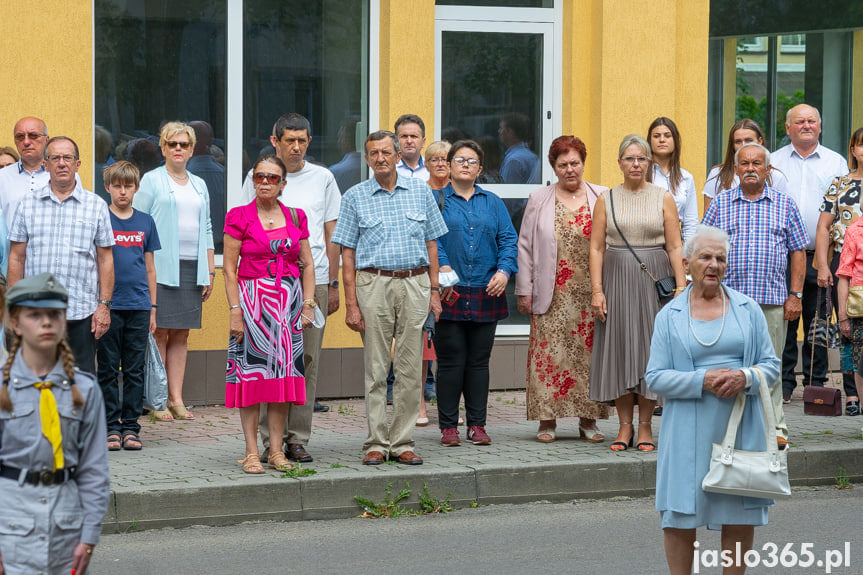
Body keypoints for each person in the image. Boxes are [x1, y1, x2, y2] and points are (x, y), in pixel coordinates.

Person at [645, 225, 781, 575]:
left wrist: (745, 377)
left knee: (737, 515)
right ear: (687, 263)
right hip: (686, 432)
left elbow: (771, 366)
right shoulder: (669, 316)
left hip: (739, 428)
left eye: (720, 258)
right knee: (679, 518)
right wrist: (701, 380)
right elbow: (655, 377)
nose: (714, 264)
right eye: (705, 257)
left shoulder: (748, 310)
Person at [332, 130, 447, 466]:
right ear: (366, 159)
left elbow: (431, 244)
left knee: (412, 368)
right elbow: (347, 255)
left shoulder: (421, 192)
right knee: (376, 368)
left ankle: (403, 441)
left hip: (415, 283)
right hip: (374, 285)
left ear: (398, 156)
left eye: (385, 152)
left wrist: (435, 291)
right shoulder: (355, 196)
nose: (380, 158)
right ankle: (376, 442)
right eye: (373, 153)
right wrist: (351, 303)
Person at [240, 113, 341, 463]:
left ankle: (298, 438)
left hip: (310, 285)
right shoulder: (257, 177)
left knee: (304, 362)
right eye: (289, 140)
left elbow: (331, 233)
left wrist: (333, 283)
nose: (296, 147)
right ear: (275, 140)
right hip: (265, 287)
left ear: (309, 142)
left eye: (302, 140)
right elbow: (243, 227)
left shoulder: (324, 178)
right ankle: (270, 442)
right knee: (266, 362)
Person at [0, 273, 110, 575]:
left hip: (66, 528)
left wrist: (88, 538)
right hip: (10, 529)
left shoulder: (85, 390)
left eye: (54, 314)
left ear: (65, 321)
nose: (46, 322)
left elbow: (94, 469)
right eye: (34, 315)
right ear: (15, 323)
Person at [702, 142, 807, 444]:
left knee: (768, 366)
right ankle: (727, 431)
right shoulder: (721, 203)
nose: (750, 168)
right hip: (727, 303)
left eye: (756, 164)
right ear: (735, 170)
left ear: (767, 169)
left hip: (772, 301)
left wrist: (795, 295)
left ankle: (775, 430)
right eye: (744, 164)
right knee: (728, 365)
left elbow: (798, 252)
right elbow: (703, 247)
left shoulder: (784, 204)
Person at [589, 134, 686, 451]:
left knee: (649, 351)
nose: (635, 164)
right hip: (615, 280)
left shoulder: (663, 197)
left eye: (641, 158)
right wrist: (597, 291)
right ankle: (624, 427)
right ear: (619, 162)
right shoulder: (607, 199)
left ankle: (645, 427)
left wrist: (682, 286)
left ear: (650, 163)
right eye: (629, 158)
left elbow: (674, 245)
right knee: (619, 351)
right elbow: (597, 248)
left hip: (653, 281)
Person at [224, 154, 315, 474]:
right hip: (252, 305)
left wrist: (308, 304)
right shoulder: (238, 216)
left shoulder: (296, 216)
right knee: (251, 380)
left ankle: (276, 451)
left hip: (287, 307)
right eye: (259, 176)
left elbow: (308, 264)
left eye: (272, 178)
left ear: (283, 184)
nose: (264, 182)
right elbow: (229, 269)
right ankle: (251, 452)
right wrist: (235, 311)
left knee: (281, 383)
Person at [517, 135, 609, 443]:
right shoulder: (539, 199)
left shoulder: (602, 196)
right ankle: (547, 421)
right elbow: (526, 247)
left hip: (590, 291)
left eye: (575, 163)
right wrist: (524, 289)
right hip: (551, 292)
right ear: (553, 167)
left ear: (584, 163)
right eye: (562, 164)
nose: (570, 169)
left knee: (589, 357)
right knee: (549, 357)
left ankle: (589, 421)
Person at [434, 139, 517, 446]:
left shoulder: (492, 203)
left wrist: (504, 271)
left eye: (471, 160)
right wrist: (443, 269)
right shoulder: (437, 200)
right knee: (451, 359)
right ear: (449, 165)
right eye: (459, 159)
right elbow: (432, 240)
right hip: (448, 294)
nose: (465, 164)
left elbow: (509, 240)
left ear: (480, 168)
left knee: (479, 361)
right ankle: (448, 427)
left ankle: (477, 425)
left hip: (486, 290)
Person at [7, 136, 115, 375]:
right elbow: (17, 258)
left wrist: (104, 306)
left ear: (78, 164)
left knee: (78, 385)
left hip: (80, 313)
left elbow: (105, 259)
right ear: (46, 164)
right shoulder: (27, 204)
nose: (62, 163)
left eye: (68, 158)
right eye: (55, 158)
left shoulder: (96, 206)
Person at [132, 121, 216, 420]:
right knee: (159, 333)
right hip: (160, 267)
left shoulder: (199, 184)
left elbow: (206, 227)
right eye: (172, 144)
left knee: (181, 334)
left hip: (191, 268)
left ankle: (176, 398)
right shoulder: (152, 181)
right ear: (163, 148)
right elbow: (138, 223)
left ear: (193, 149)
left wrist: (209, 269)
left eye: (184, 145)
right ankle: (156, 401)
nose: (178, 149)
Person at [771, 104, 848, 403]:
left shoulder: (836, 163)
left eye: (811, 121)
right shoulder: (774, 162)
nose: (806, 125)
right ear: (788, 127)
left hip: (821, 255)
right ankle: (785, 384)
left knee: (817, 320)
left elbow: (842, 212)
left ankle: (816, 386)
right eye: (799, 121)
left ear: (819, 126)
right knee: (786, 320)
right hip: (783, 256)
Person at [97, 161, 161, 449]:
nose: (123, 192)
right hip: (109, 305)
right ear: (107, 187)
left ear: (136, 188)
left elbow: (150, 268)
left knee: (135, 369)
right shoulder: (100, 218)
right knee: (108, 368)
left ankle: (131, 427)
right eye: (117, 186)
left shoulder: (146, 221)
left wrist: (153, 307)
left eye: (128, 186)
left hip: (138, 305)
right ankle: (111, 426)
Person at [818, 126, 863, 415]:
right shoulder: (839, 183)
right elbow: (823, 226)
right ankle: (851, 394)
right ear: (853, 149)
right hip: (845, 267)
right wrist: (823, 264)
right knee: (847, 330)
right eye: (860, 145)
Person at [702, 118, 790, 212]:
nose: (743, 145)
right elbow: (708, 222)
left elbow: (784, 212)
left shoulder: (775, 176)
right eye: (738, 141)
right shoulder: (718, 174)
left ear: (760, 141)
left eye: (749, 140)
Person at [646, 117, 698, 242]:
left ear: (675, 140)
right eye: (656, 136)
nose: (662, 140)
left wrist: (689, 252)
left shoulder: (686, 178)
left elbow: (691, 221)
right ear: (649, 141)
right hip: (647, 242)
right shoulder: (642, 175)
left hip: (676, 243)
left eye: (667, 136)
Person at [188, 121, 227, 254]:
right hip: (218, 246)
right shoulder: (224, 175)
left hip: (197, 248)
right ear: (211, 141)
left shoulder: (184, 176)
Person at [499, 112, 540, 184]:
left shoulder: (514, 160)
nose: (499, 131)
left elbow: (508, 191)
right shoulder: (531, 155)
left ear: (510, 132)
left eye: (501, 128)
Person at [329, 115, 364, 193]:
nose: (338, 142)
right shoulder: (367, 166)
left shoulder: (335, 171)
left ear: (346, 140)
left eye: (340, 137)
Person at [394, 114, 429, 180]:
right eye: (404, 136)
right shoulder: (389, 169)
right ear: (396, 141)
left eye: (414, 136)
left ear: (423, 142)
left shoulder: (432, 169)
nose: (409, 141)